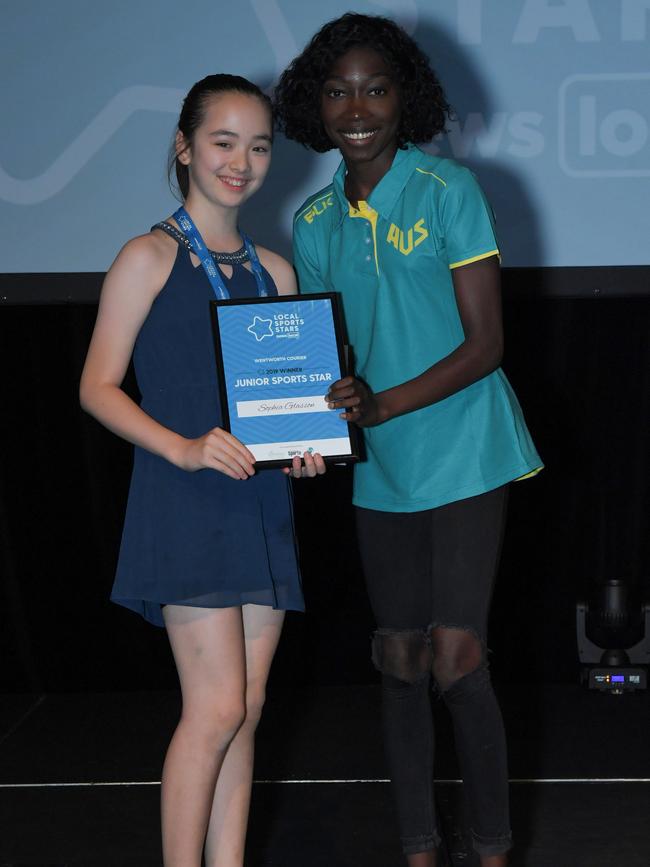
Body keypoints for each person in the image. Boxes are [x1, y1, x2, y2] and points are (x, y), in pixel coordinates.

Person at [275, 14, 542, 867]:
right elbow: (332, 358)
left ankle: (493, 849)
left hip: (465, 445)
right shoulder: (313, 220)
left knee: (457, 655)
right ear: (316, 104)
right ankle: (420, 850)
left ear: (407, 100)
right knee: (396, 654)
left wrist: (381, 404)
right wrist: (324, 410)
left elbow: (486, 344)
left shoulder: (447, 190)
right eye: (338, 89)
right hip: (382, 462)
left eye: (376, 88)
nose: (357, 107)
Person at [80, 73, 324, 867]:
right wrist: (183, 446)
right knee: (214, 706)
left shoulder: (277, 272)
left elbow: (289, 404)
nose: (241, 161)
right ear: (185, 147)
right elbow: (96, 386)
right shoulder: (147, 255)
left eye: (257, 146)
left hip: (260, 507)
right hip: (184, 498)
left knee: (247, 709)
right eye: (223, 141)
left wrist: (303, 448)